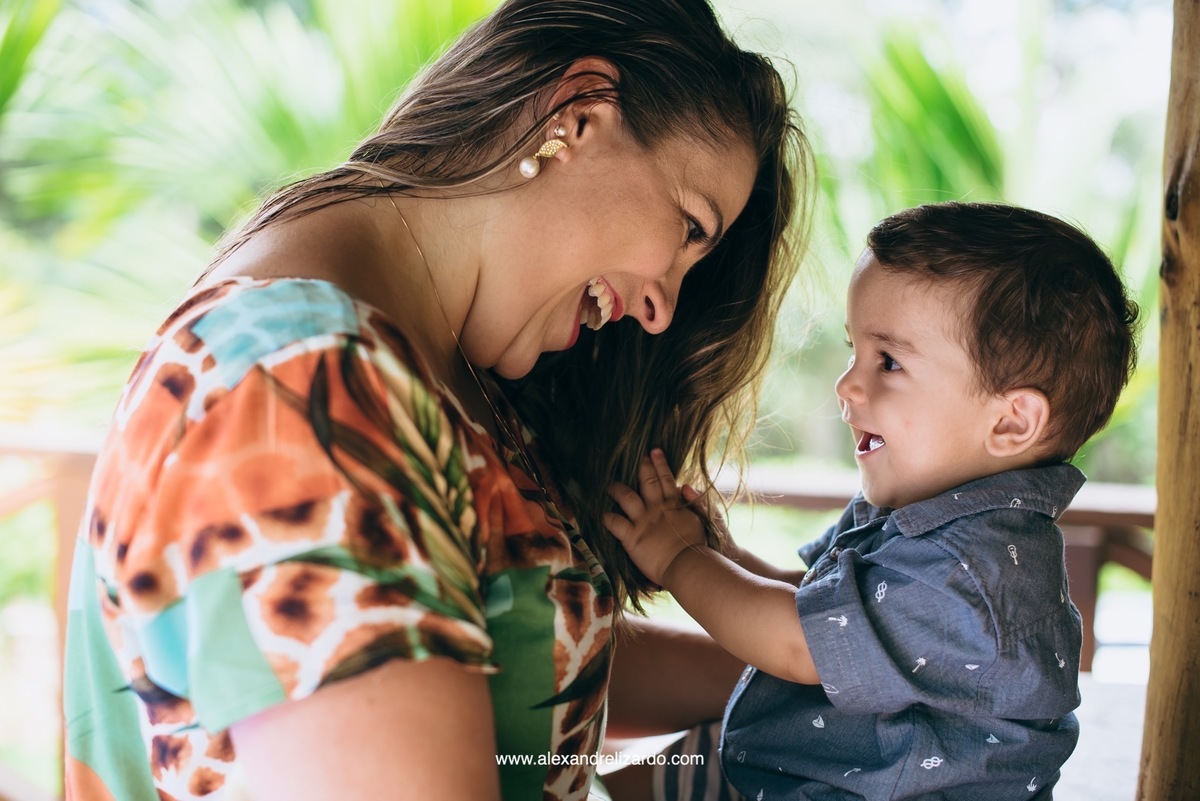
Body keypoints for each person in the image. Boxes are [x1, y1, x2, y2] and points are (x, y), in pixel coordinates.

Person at [60, 1, 814, 799]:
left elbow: (529, 645)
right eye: (690, 226)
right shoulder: (301, 387)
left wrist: (826, 661)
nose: (663, 307)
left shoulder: (438, 373)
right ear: (577, 117)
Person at [605, 201, 1140, 800]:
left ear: (1012, 421)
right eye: (854, 352)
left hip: (862, 787)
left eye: (888, 361)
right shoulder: (927, 515)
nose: (848, 385)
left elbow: (795, 643)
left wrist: (680, 560)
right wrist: (721, 553)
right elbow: (813, 601)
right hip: (822, 760)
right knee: (616, 778)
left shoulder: (971, 575)